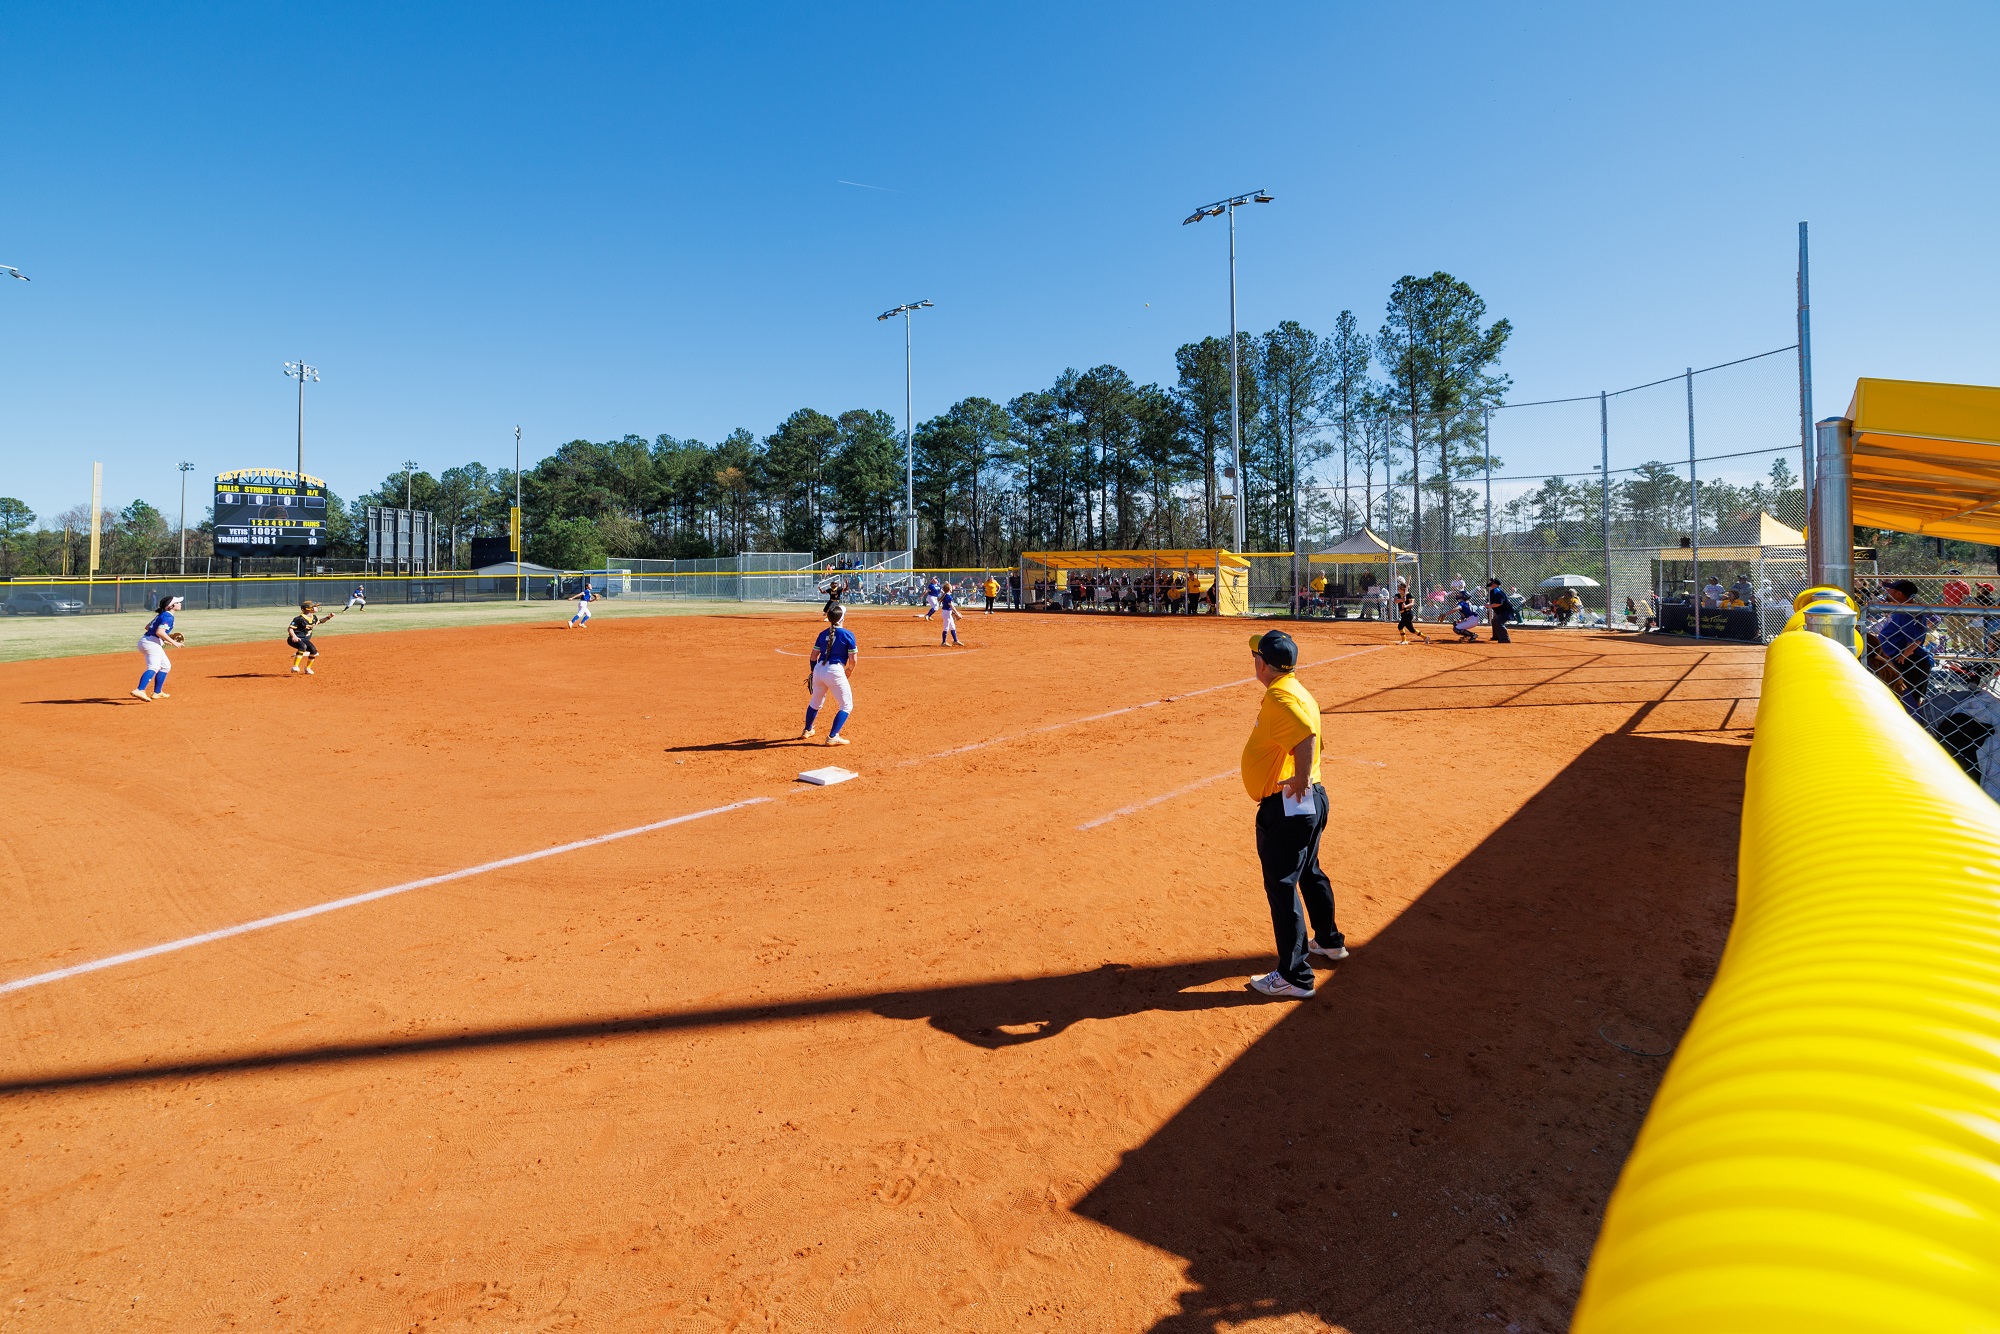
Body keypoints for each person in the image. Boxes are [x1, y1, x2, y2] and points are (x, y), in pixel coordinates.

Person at [1239, 630, 1345, 999]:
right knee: (1309, 872)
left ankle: (1295, 976)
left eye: (1255, 655)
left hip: (1290, 805)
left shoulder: (1281, 696)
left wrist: (1299, 777)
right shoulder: (1296, 688)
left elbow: (1304, 736)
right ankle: (1329, 942)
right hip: (1311, 800)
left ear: (1263, 664)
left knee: (1282, 886)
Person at [801, 602, 858, 746]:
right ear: (842, 618)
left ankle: (807, 730)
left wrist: (814, 671)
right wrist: (849, 670)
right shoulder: (847, 634)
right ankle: (833, 736)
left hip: (820, 668)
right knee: (846, 705)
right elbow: (853, 659)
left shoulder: (822, 633)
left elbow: (813, 656)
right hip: (835, 670)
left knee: (815, 702)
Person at [1876, 578, 1933, 712]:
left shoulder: (1908, 612)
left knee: (1906, 699)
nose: (1887, 592)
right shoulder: (1902, 610)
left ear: (1899, 594)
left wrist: (1905, 653)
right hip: (1900, 660)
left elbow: (1916, 638)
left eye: (1890, 590)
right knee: (1901, 698)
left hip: (1908, 662)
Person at [132, 594, 183, 701]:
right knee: (154, 667)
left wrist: (164, 640)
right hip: (151, 643)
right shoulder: (168, 616)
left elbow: (148, 627)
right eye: (177, 602)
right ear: (171, 606)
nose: (180, 604)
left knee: (165, 666)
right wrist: (174, 642)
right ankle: (140, 690)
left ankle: (157, 692)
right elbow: (159, 631)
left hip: (148, 641)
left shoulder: (163, 614)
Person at [288, 600, 334, 675]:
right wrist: (294, 636)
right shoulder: (299, 618)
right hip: (294, 638)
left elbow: (320, 622)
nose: (317, 608)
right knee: (303, 646)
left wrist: (328, 617)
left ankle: (307, 668)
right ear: (309, 609)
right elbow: (290, 628)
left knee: (314, 651)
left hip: (305, 639)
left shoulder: (313, 617)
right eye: (315, 607)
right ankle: (295, 666)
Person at [1393, 578, 1425, 644]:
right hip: (1403, 614)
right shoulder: (1397, 595)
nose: (1398, 588)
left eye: (1400, 587)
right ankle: (1425, 637)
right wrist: (1402, 600)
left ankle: (1404, 640)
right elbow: (1395, 601)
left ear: (1403, 588)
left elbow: (1412, 603)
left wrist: (1405, 606)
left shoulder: (1409, 595)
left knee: (1400, 626)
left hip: (1408, 613)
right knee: (1411, 629)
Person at [1486, 578, 1513, 643]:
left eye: (1492, 582)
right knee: (1494, 621)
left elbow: (1499, 603)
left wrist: (1490, 606)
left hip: (1506, 611)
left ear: (1495, 584)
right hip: (1501, 611)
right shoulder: (1493, 591)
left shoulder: (1498, 592)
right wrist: (1490, 604)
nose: (1490, 583)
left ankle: (1505, 639)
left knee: (1499, 623)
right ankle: (1497, 636)